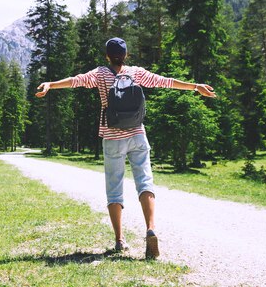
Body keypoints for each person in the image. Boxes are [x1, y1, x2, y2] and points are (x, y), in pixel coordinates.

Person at [35, 37, 216, 259]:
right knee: (145, 181)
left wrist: (51, 85)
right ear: (126, 55)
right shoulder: (136, 72)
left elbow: (76, 80)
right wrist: (195, 87)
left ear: (107, 56)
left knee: (114, 187)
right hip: (137, 134)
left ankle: (120, 240)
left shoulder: (100, 74)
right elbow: (164, 81)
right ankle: (150, 228)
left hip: (112, 138)